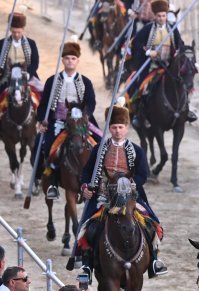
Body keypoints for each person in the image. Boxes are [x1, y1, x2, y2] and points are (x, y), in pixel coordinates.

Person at [72, 104, 167, 277]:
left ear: (126, 128)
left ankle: (154, 260)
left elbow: (143, 175)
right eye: (114, 127)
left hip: (131, 197)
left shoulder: (137, 150)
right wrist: (85, 187)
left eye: (120, 127)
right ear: (109, 128)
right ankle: (87, 266)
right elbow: (87, 171)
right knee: (86, 227)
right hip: (103, 196)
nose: (117, 131)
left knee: (152, 223)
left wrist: (130, 185)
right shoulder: (99, 149)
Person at [35, 41, 98, 198]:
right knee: (44, 147)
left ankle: (98, 182)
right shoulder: (52, 81)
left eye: (73, 58)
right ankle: (52, 184)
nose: (70, 61)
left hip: (80, 124)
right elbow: (43, 105)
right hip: (57, 122)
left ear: (77, 61)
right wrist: (43, 120)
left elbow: (91, 102)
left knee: (100, 144)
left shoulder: (85, 82)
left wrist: (86, 115)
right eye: (67, 58)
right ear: (62, 60)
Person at [129, 0, 196, 124]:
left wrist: (178, 52)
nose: (161, 18)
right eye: (159, 16)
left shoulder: (173, 29)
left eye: (164, 16)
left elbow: (179, 44)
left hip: (169, 65)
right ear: (155, 16)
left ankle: (187, 109)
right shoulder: (147, 29)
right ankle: (139, 114)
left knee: (184, 82)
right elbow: (137, 43)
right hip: (151, 66)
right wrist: (149, 52)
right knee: (143, 86)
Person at [0, 13, 40, 91]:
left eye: (19, 32)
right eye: (14, 32)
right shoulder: (2, 43)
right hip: (7, 75)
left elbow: (35, 63)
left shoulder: (31, 43)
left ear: (23, 29)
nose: (16, 35)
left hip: (26, 74)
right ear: (10, 29)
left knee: (41, 93)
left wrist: (28, 74)